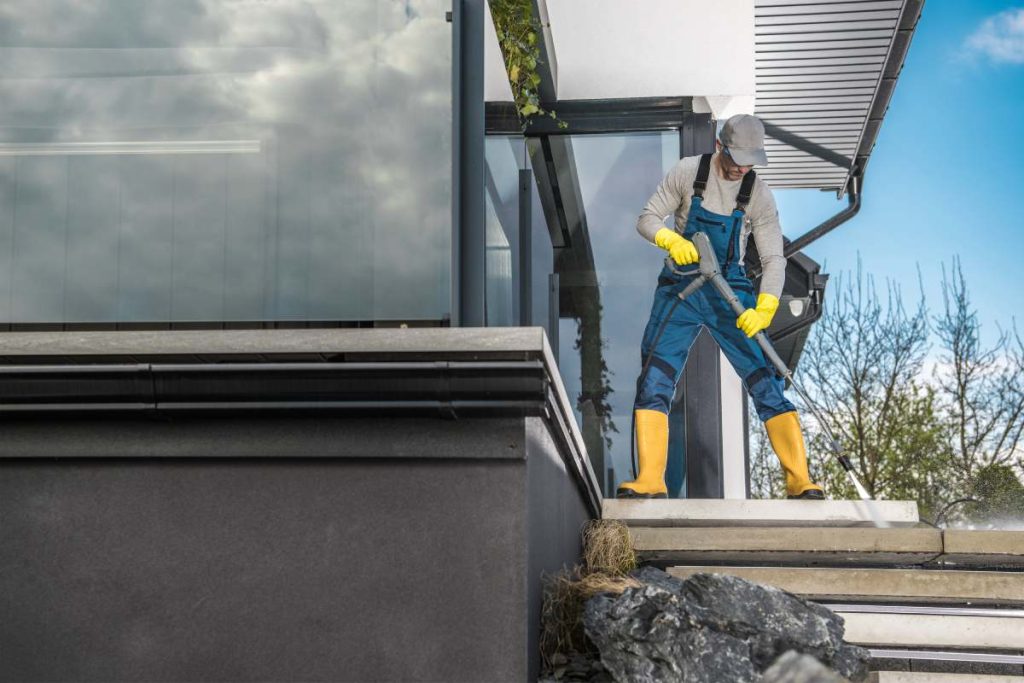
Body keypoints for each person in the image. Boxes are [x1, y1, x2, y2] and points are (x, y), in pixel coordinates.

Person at [617, 113, 824, 500]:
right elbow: (646, 219)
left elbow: (774, 259)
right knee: (655, 377)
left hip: (732, 292)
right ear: (719, 146)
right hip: (681, 290)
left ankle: (799, 480)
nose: (742, 167)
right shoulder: (687, 173)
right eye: (736, 158)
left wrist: (764, 307)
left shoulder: (759, 195)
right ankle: (650, 480)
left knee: (766, 378)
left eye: (749, 161)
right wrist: (669, 240)